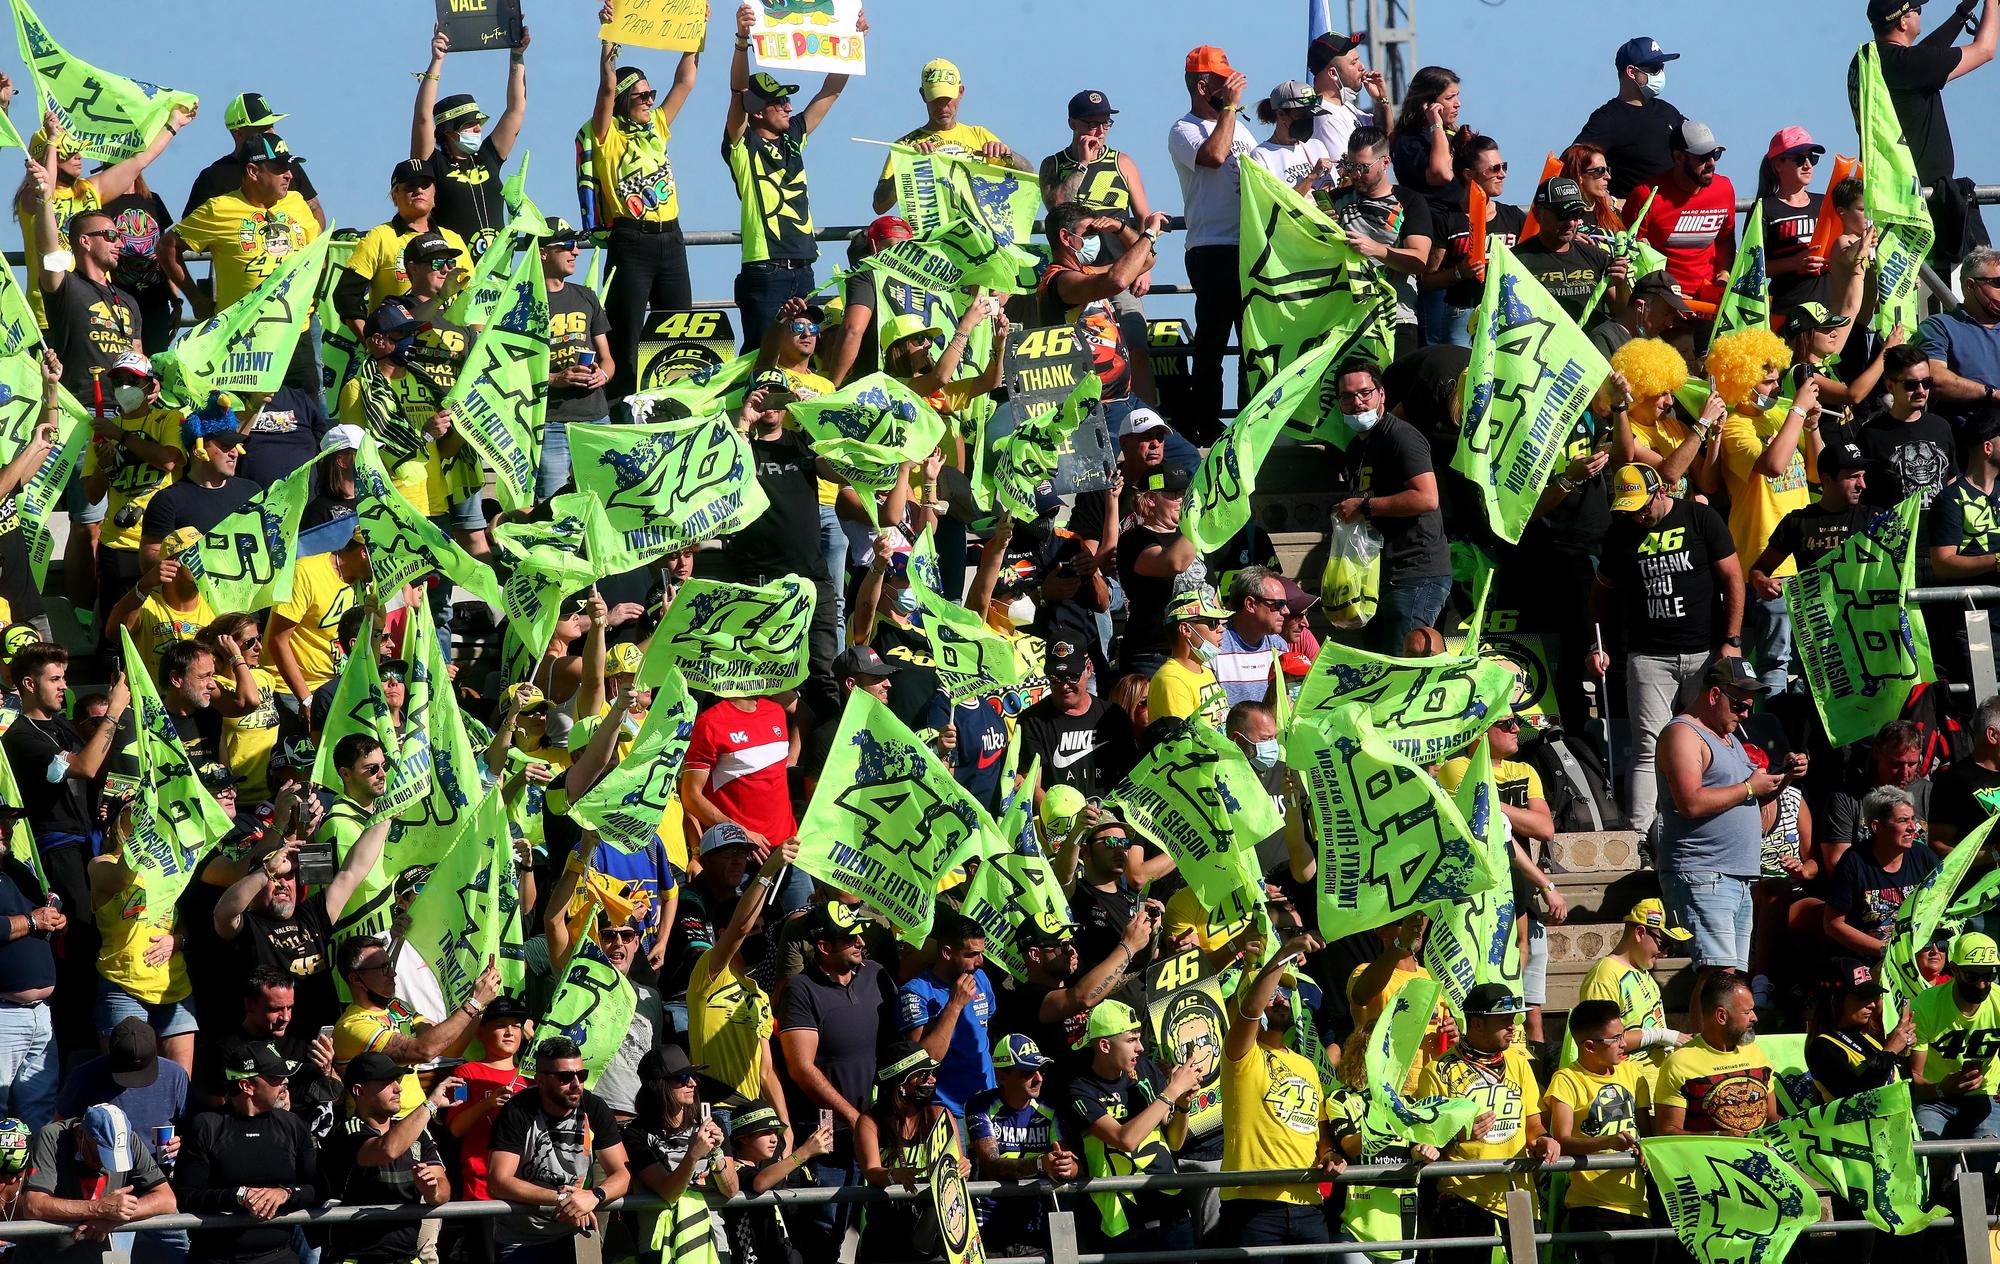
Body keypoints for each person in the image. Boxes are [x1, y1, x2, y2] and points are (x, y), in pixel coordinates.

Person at [1589, 466, 1745, 841]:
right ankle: (1640, 837)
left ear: (1660, 492)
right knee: (1649, 745)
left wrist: (1733, 640)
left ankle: (1711, 825)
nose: (1637, 515)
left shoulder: (1699, 517)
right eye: (1629, 508)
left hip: (1705, 651)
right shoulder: (1621, 533)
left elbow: (1733, 578)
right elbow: (1601, 590)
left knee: (1711, 737)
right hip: (1648, 655)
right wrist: (1597, 642)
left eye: (1642, 506)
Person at [1656, 659, 1804, 994]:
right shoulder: (1683, 734)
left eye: (1750, 707)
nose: (1746, 715)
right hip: (1704, 871)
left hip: (1736, 875)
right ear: (1713, 695)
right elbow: (1690, 802)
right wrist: (1751, 787)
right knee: (1716, 976)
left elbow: (1747, 799)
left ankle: (1722, 1046)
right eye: (1738, 705)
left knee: (1730, 978)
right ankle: (1705, 1046)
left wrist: (1783, 780)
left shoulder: (1729, 738)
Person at [722, 4, 858, 346]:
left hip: (804, 267)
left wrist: (852, 36)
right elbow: (737, 94)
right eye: (779, 102)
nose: (788, 107)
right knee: (760, 356)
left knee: (800, 357)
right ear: (756, 111)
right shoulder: (743, 144)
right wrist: (741, 40)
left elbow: (831, 90)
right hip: (765, 270)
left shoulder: (794, 136)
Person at [591, 2, 702, 409]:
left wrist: (693, 33)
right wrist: (608, 43)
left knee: (680, 328)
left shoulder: (657, 123)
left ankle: (678, 408)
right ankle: (620, 409)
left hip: (670, 239)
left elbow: (686, 81)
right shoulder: (606, 133)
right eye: (639, 95)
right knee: (627, 334)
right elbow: (604, 90)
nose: (648, 100)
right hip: (631, 241)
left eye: (650, 94)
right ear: (622, 99)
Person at [776, 900, 896, 1257]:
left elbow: (898, 1047)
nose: (860, 941)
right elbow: (800, 1067)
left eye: (859, 934)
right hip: (827, 1135)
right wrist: (853, 1118)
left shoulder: (877, 975)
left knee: (881, 1233)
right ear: (824, 948)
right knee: (824, 1236)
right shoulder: (801, 989)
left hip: (878, 1131)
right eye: (849, 938)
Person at [1709, 330, 1822, 690]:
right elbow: (1772, 465)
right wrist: (1799, 408)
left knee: (1807, 667)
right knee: (1774, 661)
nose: (1776, 389)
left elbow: (1818, 472)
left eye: (1777, 381)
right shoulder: (1735, 429)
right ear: (1741, 382)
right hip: (1766, 562)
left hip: (1802, 560)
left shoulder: (1778, 420)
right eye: (1767, 382)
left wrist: (1813, 426)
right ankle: (1768, 739)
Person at [1219, 932, 1340, 1257]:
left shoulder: (1307, 1065)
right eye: (1272, 992)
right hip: (1252, 1207)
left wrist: (1329, 1157)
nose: (1282, 999)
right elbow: (1248, 1011)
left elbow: (1320, 1132)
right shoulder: (1240, 1052)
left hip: (1308, 1204)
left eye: (1286, 992)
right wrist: (1284, 953)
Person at [1851, 0, 1997, 266]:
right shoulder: (1906, 66)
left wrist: (1962, 15)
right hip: (1923, 203)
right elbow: (1985, 50)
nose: (1921, 14)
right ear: (1903, 22)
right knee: (1980, 277)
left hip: (1901, 195)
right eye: (1916, 10)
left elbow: (1927, 54)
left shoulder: (1872, 60)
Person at [1039, 89, 1161, 407]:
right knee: (1080, 355)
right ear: (1072, 123)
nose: (1099, 131)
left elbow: (1144, 217)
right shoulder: (1053, 165)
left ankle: (1146, 418)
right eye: (1091, 124)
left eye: (1105, 123)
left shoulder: (1122, 162)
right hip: (1077, 276)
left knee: (1135, 347)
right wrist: (1082, 164)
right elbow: (1057, 209)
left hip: (1119, 270)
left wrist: (1144, 267)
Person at [1416, 983, 1559, 1253]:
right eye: (1504, 1020)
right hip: (1463, 1196)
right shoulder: (1437, 1070)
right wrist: (1462, 1134)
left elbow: (1534, 1125)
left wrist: (1543, 1140)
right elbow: (1427, 1143)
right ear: (1478, 1024)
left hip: (1518, 1194)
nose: (1513, 1027)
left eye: (1514, 1019)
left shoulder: (1519, 1062)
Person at [1329, 360, 1451, 654]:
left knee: (1403, 670)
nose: (1357, 403)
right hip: (1379, 578)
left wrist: (1365, 506)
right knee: (1381, 673)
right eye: (1347, 396)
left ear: (1382, 394)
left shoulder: (1401, 437)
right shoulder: (1356, 448)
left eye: (1365, 393)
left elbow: (1427, 498)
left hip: (1415, 573)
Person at [1063, 999, 1198, 1254]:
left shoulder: (1146, 1069)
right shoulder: (1080, 1088)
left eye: (1139, 1038)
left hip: (1173, 1211)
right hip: (1124, 1222)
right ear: (1104, 1045)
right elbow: (1124, 1139)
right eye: (1131, 1040)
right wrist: (1172, 1090)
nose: (1140, 1047)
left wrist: (1182, 1106)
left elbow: (1174, 1142)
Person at [1168, 45, 1254, 444]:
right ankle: (1205, 422)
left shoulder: (1243, 127)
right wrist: (1230, 109)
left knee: (1252, 339)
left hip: (1250, 245)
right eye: (1224, 81)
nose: (1233, 86)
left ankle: (1247, 418)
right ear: (1203, 86)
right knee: (1214, 340)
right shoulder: (1183, 129)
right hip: (1211, 246)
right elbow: (1215, 156)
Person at [486, 1036, 635, 1264]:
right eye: (565, 1077)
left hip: (577, 1231)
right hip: (523, 1235)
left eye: (581, 1075)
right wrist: (563, 1198)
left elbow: (623, 1174)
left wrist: (594, 1196)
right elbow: (498, 1181)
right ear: (540, 1080)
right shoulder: (517, 1110)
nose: (576, 1083)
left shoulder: (594, 1107)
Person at [174, 1043, 319, 1264]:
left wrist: (286, 1193)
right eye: (275, 1077)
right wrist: (238, 1196)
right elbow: (186, 1197)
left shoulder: (292, 1124)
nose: (285, 1082)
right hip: (216, 1258)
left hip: (278, 1256)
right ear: (247, 1086)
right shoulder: (207, 1126)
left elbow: (316, 1188)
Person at [164, 135, 320, 321]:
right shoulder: (218, 208)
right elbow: (167, 246)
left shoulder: (297, 202)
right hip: (242, 336)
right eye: (279, 168)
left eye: (289, 167)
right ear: (253, 172)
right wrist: (196, 299)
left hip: (296, 333)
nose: (289, 175)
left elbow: (318, 252)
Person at [685, 838, 790, 1113]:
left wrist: (786, 1126)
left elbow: (766, 1072)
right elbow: (739, 928)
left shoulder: (760, 996)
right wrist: (768, 871)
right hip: (718, 1108)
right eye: (754, 930)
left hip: (754, 1117)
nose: (758, 935)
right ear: (723, 936)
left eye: (761, 929)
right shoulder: (710, 973)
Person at [318, 1052, 453, 1264]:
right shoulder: (346, 1131)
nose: (398, 1088)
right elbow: (386, 1150)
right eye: (387, 1082)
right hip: (355, 1258)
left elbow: (443, 1189)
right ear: (358, 1091)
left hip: (407, 1258)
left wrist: (432, 1190)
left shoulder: (417, 1131)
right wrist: (430, 1104)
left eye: (397, 1081)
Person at [1543, 999, 1649, 1264]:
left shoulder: (1632, 1071)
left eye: (1623, 1035)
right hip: (1591, 1206)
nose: (1624, 1043)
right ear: (1589, 1045)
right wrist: (1608, 1142)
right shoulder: (1567, 1079)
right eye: (1615, 1038)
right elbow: (1563, 1141)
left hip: (1640, 1204)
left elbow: (1649, 1133)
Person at [411, 21, 529, 257]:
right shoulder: (433, 163)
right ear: (448, 131)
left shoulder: (488, 156)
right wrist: (437, 61)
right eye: (469, 124)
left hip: (497, 275)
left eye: (479, 123)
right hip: (453, 273)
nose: (477, 129)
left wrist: (517, 56)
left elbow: (516, 109)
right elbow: (423, 119)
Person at [19, 1103, 177, 1264]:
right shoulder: (51, 1137)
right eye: (98, 1156)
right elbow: (33, 1205)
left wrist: (115, 1217)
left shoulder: (129, 1140)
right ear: (81, 1134)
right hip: (47, 1257)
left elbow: (167, 1200)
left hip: (99, 1255)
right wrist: (100, 1209)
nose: (104, 1165)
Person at [870, 55, 1027, 214]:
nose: (942, 106)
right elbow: (879, 206)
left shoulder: (980, 135)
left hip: (979, 234)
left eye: (947, 98)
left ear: (961, 92)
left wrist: (1008, 155)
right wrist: (906, 166)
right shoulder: (906, 146)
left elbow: (1031, 176)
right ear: (923, 95)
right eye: (935, 98)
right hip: (933, 236)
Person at [964, 1034, 1075, 1254]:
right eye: (1027, 1072)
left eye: (1041, 1070)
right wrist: (1040, 1165)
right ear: (1001, 1076)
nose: (1038, 1078)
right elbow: (991, 1164)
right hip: (989, 1229)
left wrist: (1068, 1167)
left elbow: (1071, 1164)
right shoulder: (980, 1105)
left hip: (1036, 1228)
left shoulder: (1050, 1106)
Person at [333, 160, 473, 330]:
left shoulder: (454, 240)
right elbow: (346, 296)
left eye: (425, 185)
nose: (419, 190)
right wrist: (374, 344)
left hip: (448, 346)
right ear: (394, 195)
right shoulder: (380, 236)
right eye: (410, 186)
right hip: (397, 347)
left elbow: (473, 298)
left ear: (435, 193)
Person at [1332, 126, 1436, 353]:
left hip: (1396, 318)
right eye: (1350, 166)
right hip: (1345, 322)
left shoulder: (1410, 201)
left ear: (1385, 162)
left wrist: (1377, 250)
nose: (1355, 174)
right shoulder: (1336, 201)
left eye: (1363, 167)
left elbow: (1419, 260)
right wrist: (1311, 182)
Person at [1623, 121, 1737, 312]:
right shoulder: (1646, 195)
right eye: (1702, 157)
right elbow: (1630, 254)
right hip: (1662, 306)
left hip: (1709, 303)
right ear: (1678, 157)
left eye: (1715, 154)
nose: (1711, 163)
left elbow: (1725, 239)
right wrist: (1665, 291)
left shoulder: (1724, 188)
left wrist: (1724, 274)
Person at [896, 912, 998, 1116]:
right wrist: (954, 1006)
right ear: (947, 952)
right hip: (946, 1110)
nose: (980, 962)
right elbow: (920, 1063)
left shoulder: (980, 979)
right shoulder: (916, 992)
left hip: (989, 1105)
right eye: (971, 955)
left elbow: (984, 1032)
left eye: (981, 953)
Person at [1014, 640, 1138, 803]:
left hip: (1110, 816)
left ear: (1088, 669)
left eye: (1072, 677)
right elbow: (1030, 786)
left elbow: (1131, 775)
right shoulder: (1032, 720)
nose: (1064, 685)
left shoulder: (1112, 715)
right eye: (1055, 678)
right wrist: (1069, 817)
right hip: (1058, 822)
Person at [1654, 972, 1777, 1135]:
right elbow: (1666, 1132)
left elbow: (1771, 1117)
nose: (1754, 1018)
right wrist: (1719, 1137)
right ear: (1721, 1016)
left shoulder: (1756, 1053)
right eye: (1747, 1012)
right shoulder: (1678, 1063)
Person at [1824, 786, 1939, 958]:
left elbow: (1941, 904)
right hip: (1866, 957)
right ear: (1877, 827)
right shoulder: (1854, 862)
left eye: (1912, 819)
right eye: (1902, 820)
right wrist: (1887, 951)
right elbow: (1833, 924)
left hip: (1916, 954)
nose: (1912, 827)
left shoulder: (1923, 855)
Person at [1911, 931, 2000, 1148]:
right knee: (1929, 1157)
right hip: (1935, 1099)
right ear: (1954, 970)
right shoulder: (1925, 1006)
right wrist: (1941, 1088)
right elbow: (1915, 1079)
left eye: (1988, 975)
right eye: (1972, 975)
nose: (1981, 985)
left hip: (1985, 1096)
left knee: (1985, 1160)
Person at [1573, 35, 1688, 199]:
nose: (1661, 74)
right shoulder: (1607, 119)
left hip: (1675, 216)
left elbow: (1696, 148)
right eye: (1655, 68)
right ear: (1632, 72)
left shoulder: (1668, 111)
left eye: (1662, 67)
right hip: (1632, 221)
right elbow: (1573, 162)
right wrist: (1610, 202)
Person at [0, 837, 64, 1131]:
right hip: (4, 1014)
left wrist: (55, 919)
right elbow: (28, 921)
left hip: (40, 1014)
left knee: (38, 1114)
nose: (5, 830)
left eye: (8, 823)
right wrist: (32, 920)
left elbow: (40, 919)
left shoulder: (20, 870)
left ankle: (33, 1178)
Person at [443, 994, 532, 1202]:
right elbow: (456, 1128)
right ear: (480, 1032)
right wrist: (488, 1103)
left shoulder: (533, 1080)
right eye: (500, 1025)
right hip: (481, 1190)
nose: (510, 1032)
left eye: (516, 1026)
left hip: (528, 1187)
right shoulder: (464, 1074)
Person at [183, 94, 325, 223]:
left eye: (272, 126)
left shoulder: (287, 165)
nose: (273, 132)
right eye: (263, 128)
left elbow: (314, 208)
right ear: (238, 133)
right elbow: (188, 232)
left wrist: (309, 247)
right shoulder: (214, 177)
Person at [1511, 176, 1628, 322]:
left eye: (1576, 214)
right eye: (1563, 215)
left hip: (1591, 343)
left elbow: (1623, 315)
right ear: (1538, 214)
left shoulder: (1597, 256)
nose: (1571, 222)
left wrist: (1621, 284)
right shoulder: (1515, 260)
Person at [1858, 345, 1959, 506]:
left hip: (1939, 528)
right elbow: (1864, 496)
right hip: (1895, 528)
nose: (1921, 390)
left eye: (1926, 382)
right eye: (1911, 385)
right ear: (1890, 385)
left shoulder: (1941, 426)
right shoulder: (1870, 434)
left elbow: (1951, 480)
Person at [1808, 957, 1913, 1100]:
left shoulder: (1867, 1036)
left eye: (1872, 997)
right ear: (1835, 1000)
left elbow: (1898, 1084)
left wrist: (1902, 1052)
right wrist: (1890, 1051)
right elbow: (1856, 1095)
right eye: (1862, 997)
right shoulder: (1821, 1047)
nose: (1872, 1005)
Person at [1921, 246, 2000, 421]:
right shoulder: (1939, 326)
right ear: (1971, 285)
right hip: (1964, 442)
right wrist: (1991, 394)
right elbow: (1933, 379)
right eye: (1998, 283)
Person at [1758, 128, 1831, 312]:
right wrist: (1794, 263)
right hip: (1785, 311)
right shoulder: (1763, 208)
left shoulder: (1826, 203)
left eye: (1812, 158)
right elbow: (1752, 267)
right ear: (1778, 164)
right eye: (1799, 159)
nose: (1808, 165)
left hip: (1828, 309)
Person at [1147, 587, 1229, 729]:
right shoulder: (1171, 680)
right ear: (1186, 630)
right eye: (1213, 622)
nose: (1221, 629)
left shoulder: (1206, 672)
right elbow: (1184, 741)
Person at [1307, 32, 1389, 159]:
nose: (1362, 67)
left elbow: (1385, 137)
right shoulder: (1326, 118)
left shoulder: (1345, 108)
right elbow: (1352, 173)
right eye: (1354, 63)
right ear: (1333, 73)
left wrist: (1381, 100)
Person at [1215, 566, 1288, 707]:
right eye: (1279, 604)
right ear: (1250, 604)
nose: (1286, 611)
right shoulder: (1216, 646)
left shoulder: (1279, 647)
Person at [1933, 695, 2000, 848]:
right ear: (1992, 735)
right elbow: (1939, 847)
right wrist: (1994, 854)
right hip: (1984, 871)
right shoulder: (1953, 781)